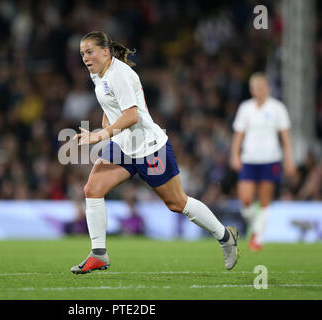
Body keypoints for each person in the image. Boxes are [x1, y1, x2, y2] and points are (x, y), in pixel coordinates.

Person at [70, 31, 239, 274]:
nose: (85, 57)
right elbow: (110, 107)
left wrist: (99, 135)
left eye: (90, 52)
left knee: (177, 202)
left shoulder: (121, 75)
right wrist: (108, 130)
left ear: (105, 52)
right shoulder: (97, 73)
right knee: (92, 189)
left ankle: (225, 236)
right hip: (124, 145)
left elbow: (132, 115)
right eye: (82, 53)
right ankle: (98, 254)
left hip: (149, 147)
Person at [230, 73, 296, 251]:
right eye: (256, 87)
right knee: (245, 200)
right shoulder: (245, 108)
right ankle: (257, 230)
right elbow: (238, 134)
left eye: (262, 87)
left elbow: (285, 137)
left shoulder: (277, 108)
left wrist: (289, 159)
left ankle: (257, 238)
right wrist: (235, 155)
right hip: (249, 158)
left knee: (265, 200)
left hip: (270, 158)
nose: (259, 90)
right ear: (251, 90)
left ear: (267, 88)